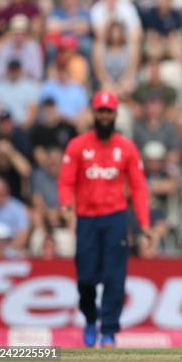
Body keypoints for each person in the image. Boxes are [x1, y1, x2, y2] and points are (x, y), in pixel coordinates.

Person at [58, 90, 154, 348]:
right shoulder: (78, 146)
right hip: (87, 219)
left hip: (115, 219)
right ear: (93, 113)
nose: (103, 116)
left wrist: (144, 224)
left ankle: (109, 331)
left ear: (114, 114)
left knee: (115, 278)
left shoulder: (126, 148)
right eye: (99, 111)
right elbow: (66, 181)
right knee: (85, 279)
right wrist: (66, 203)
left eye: (108, 111)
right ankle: (91, 318)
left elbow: (138, 188)